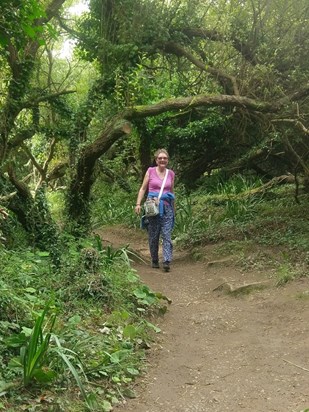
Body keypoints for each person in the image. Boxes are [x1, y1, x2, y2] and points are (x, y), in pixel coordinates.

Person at [135, 149, 175, 272]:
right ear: (156, 160)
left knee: (167, 234)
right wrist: (138, 204)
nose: (162, 160)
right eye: (160, 158)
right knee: (154, 234)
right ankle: (154, 259)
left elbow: (171, 192)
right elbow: (143, 188)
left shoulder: (171, 174)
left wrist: (174, 208)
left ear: (167, 160)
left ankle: (167, 260)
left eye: (165, 158)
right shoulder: (150, 171)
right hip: (153, 206)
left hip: (167, 207)